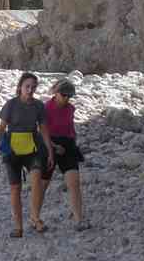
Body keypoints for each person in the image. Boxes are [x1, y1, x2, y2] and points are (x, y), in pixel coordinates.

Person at [0, 71, 55, 238]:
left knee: (36, 179)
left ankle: (35, 218)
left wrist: (50, 151)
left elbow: (44, 130)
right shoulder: (10, 105)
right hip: (12, 149)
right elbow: (1, 129)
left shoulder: (39, 106)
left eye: (33, 87)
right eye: (27, 86)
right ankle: (18, 227)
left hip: (33, 147)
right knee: (15, 188)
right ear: (20, 87)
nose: (30, 90)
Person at [40, 78, 89, 230]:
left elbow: (70, 128)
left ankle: (79, 219)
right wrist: (53, 147)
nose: (67, 98)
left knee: (74, 183)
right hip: (49, 145)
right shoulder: (46, 108)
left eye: (70, 96)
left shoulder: (70, 109)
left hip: (67, 146)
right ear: (56, 93)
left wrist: (73, 144)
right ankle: (35, 217)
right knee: (43, 184)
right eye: (64, 95)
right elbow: (41, 131)